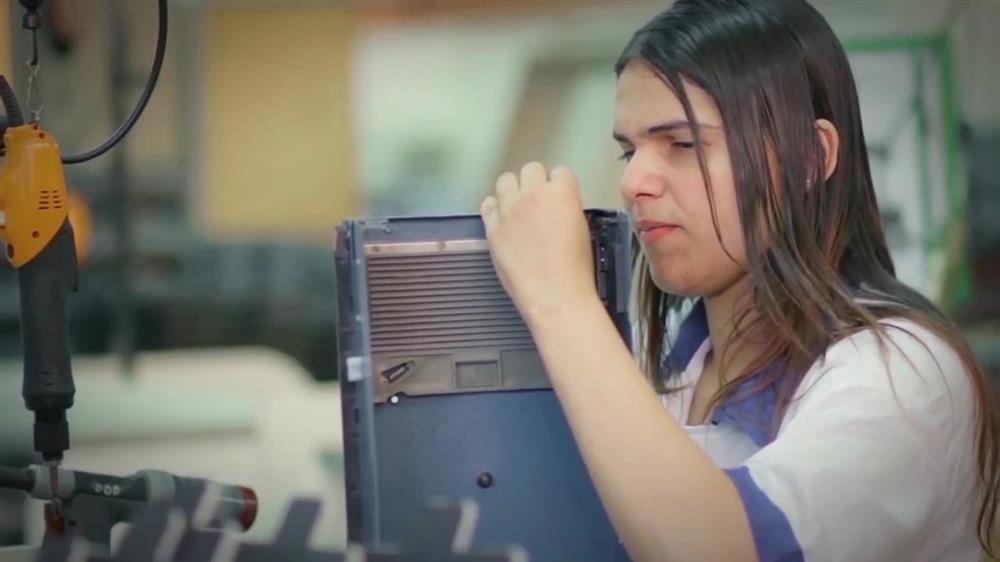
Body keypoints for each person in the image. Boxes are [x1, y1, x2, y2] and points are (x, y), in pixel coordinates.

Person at [478, 1, 1000, 561]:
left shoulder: (901, 373)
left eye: (681, 144)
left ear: (807, 156)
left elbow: (723, 549)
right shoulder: (675, 367)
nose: (632, 182)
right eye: (629, 150)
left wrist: (562, 302)